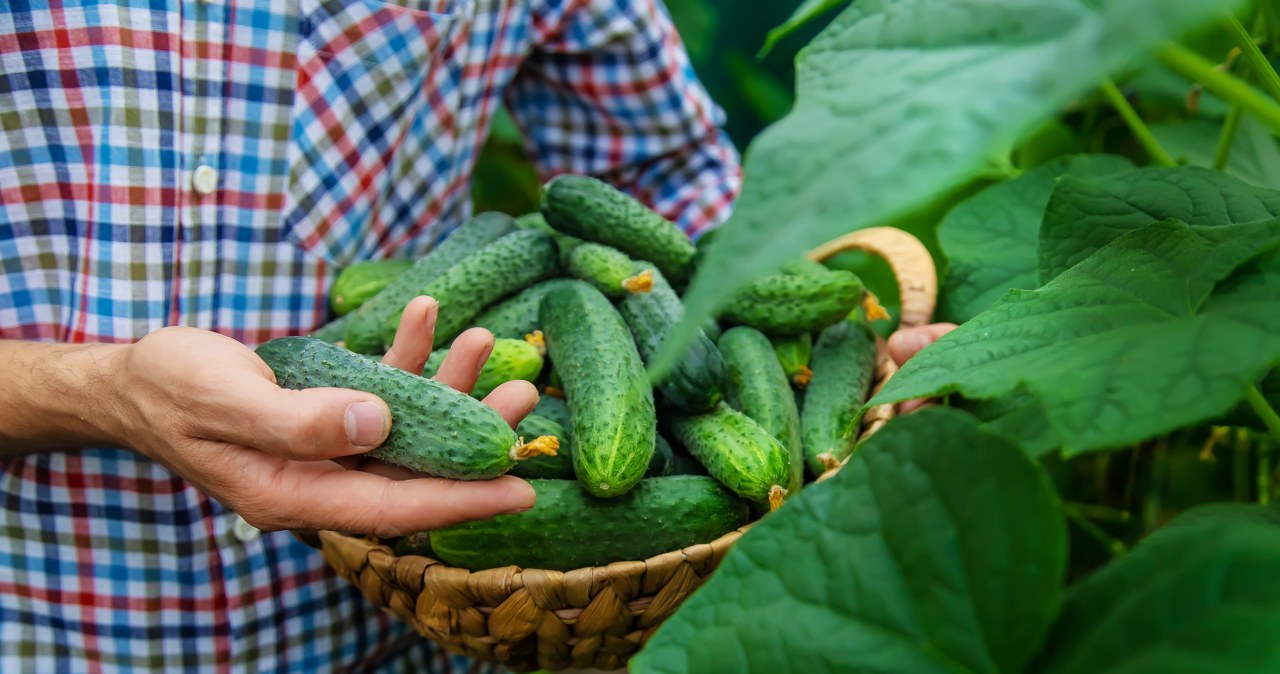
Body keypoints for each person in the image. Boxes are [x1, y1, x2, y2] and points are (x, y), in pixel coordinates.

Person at [0, 1, 951, 671]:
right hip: (51, 625)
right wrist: (100, 390)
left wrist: (822, 343)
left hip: (430, 612)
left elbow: (663, 179)